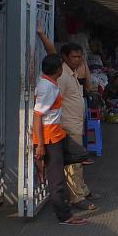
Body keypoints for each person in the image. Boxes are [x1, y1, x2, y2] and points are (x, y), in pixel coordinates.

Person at [37, 26, 99, 212]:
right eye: (74, 57)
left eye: (80, 57)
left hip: (75, 124)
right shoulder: (61, 74)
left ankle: (81, 190)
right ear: (64, 58)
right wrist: (41, 34)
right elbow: (51, 51)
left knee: (78, 162)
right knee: (74, 164)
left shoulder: (73, 73)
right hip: (66, 127)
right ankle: (76, 197)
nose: (78, 60)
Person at [32, 53, 86, 225]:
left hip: (57, 133)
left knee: (80, 154)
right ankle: (65, 216)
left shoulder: (49, 82)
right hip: (49, 137)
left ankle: (45, 164)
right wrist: (40, 144)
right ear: (58, 70)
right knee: (57, 182)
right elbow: (37, 116)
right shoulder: (46, 88)